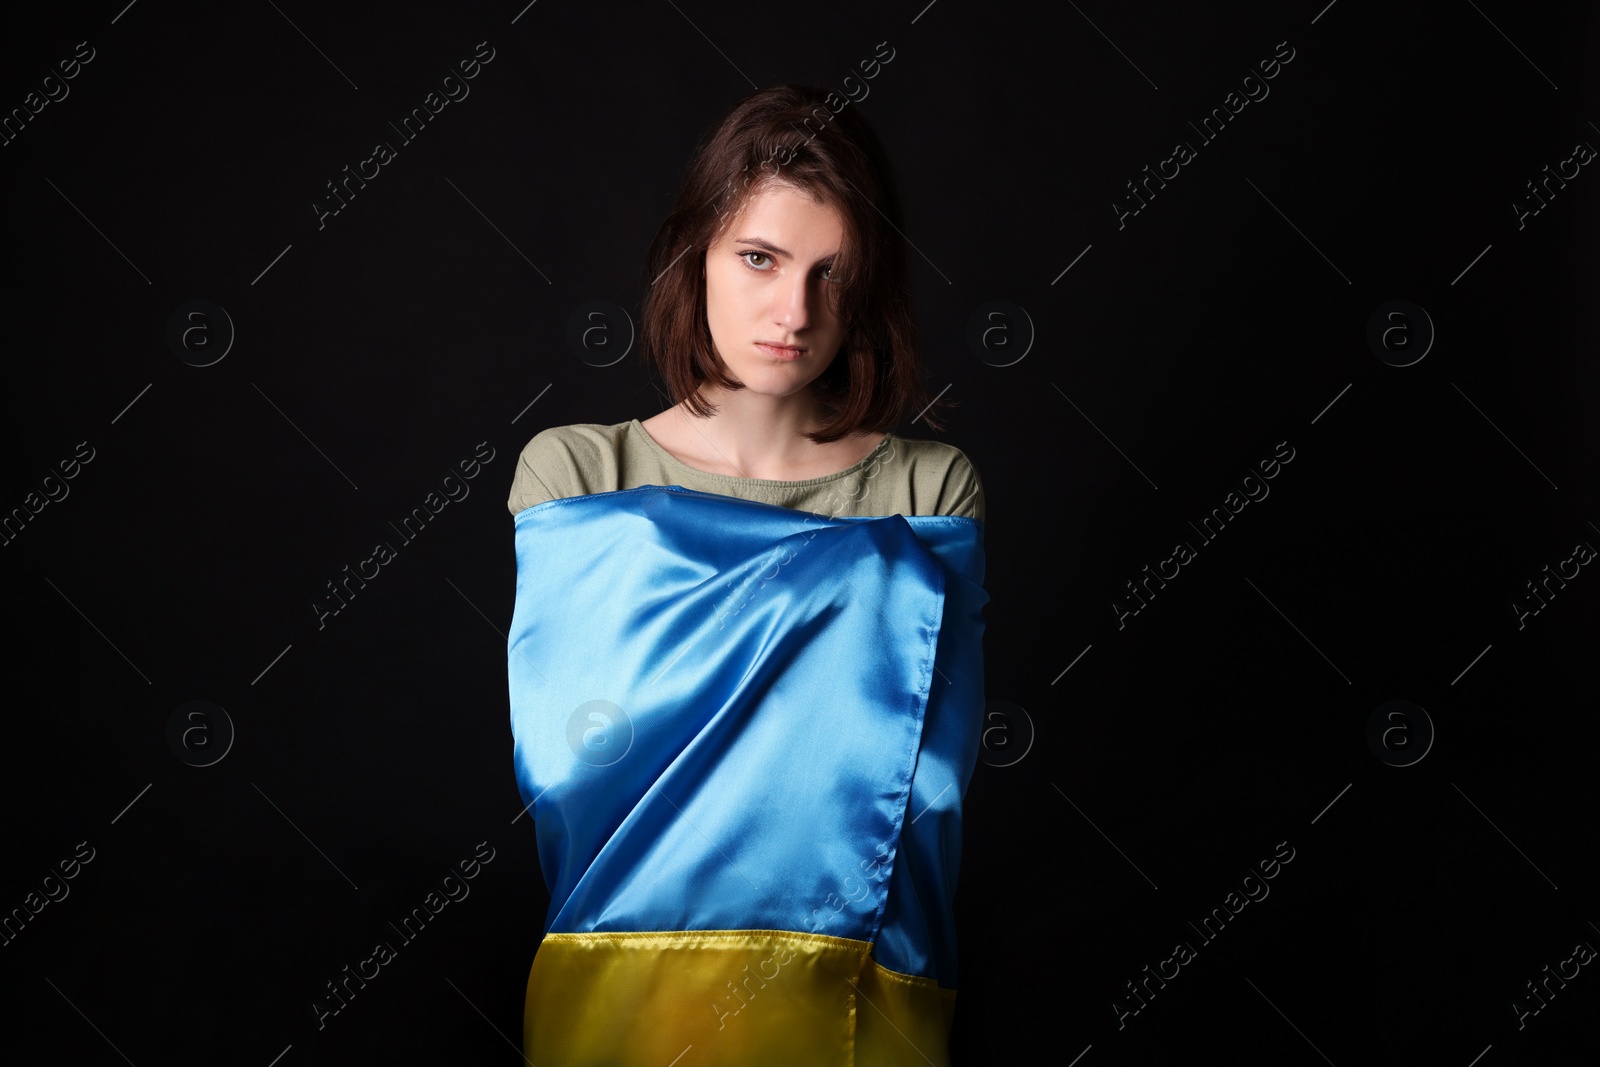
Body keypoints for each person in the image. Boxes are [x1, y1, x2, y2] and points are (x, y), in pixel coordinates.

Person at [505, 83, 989, 1065]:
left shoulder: (927, 485)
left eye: (831, 273)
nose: (794, 310)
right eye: (759, 259)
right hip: (620, 996)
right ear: (697, 256)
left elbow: (924, 792)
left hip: (862, 999)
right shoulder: (577, 477)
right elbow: (572, 765)